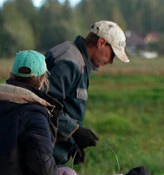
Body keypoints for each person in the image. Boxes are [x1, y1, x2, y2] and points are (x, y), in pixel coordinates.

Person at [45, 20, 129, 165]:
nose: (111, 61)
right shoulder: (70, 62)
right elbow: (45, 103)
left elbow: (64, 105)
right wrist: (74, 131)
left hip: (51, 149)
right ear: (101, 42)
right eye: (113, 54)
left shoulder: (78, 59)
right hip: (43, 151)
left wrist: (72, 142)